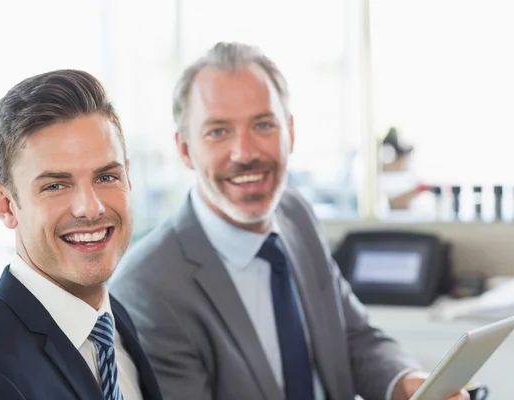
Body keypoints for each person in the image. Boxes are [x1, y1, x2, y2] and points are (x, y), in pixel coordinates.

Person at [109, 43, 468, 400]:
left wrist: (407, 383)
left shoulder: (296, 213)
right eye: (218, 131)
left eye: (263, 124)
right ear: (185, 149)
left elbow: (352, 335)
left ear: (290, 133)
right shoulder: (148, 288)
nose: (245, 153)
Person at [0, 70, 162, 400]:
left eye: (106, 177)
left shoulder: (108, 317)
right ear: (5, 205)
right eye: (56, 186)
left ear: (128, 179)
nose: (90, 208)